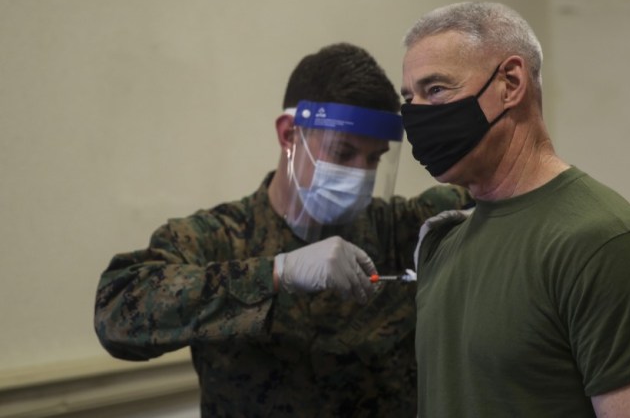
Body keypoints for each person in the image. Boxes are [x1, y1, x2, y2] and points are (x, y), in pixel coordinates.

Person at [94, 42, 472, 417]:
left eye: (373, 158)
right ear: (290, 135)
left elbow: (493, 189)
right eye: (343, 153)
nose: (360, 173)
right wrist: (275, 273)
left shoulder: (399, 229)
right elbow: (117, 314)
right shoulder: (220, 238)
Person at [399, 2, 630, 417]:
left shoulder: (604, 243)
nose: (415, 114)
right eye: (409, 97)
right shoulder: (444, 247)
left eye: (435, 90)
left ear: (510, 83)